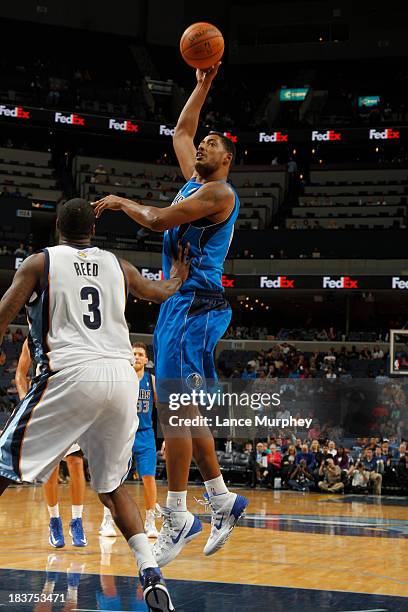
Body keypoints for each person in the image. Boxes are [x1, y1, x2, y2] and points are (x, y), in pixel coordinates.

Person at [0, 198, 191, 611]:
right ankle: (150, 571)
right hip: (122, 379)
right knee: (112, 486)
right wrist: (178, 275)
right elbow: (159, 291)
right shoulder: (116, 264)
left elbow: (4, 312)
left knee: (2, 464)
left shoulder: (39, 263)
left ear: (57, 226)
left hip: (70, 373)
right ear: (93, 230)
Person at [93, 62, 248, 568]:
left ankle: (179, 511)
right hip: (182, 304)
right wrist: (201, 86)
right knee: (183, 409)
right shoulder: (192, 183)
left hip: (196, 304)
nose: (200, 145)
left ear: (227, 159)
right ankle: (222, 498)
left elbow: (157, 219)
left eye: (211, 144)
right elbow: (181, 130)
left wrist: (121, 202)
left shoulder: (219, 194)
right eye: (202, 144)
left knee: (176, 409)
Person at [15, 339, 87, 548]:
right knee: (51, 466)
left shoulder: (72, 333)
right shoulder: (33, 339)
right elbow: (21, 374)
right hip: (45, 405)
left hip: (72, 405)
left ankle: (77, 520)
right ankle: (54, 521)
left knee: (76, 463)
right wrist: (25, 401)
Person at [100, 342, 159, 539]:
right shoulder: (121, 379)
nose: (137, 357)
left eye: (141, 354)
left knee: (149, 478)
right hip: (122, 432)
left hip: (145, 433)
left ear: (146, 359)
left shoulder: (151, 380)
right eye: (134, 353)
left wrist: (167, 438)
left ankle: (151, 522)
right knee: (113, 478)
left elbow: (164, 411)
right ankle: (107, 520)